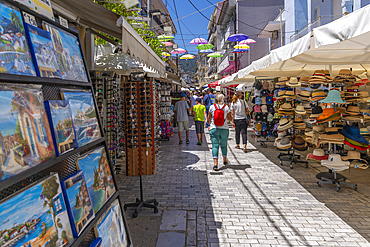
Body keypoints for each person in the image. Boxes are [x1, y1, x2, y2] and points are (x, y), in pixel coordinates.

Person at [207, 94, 233, 171]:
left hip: (214, 128)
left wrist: (209, 125)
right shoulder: (226, 107)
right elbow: (230, 118)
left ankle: (215, 164)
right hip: (224, 129)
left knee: (215, 146)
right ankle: (225, 160)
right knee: (224, 145)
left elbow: (209, 118)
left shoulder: (212, 107)